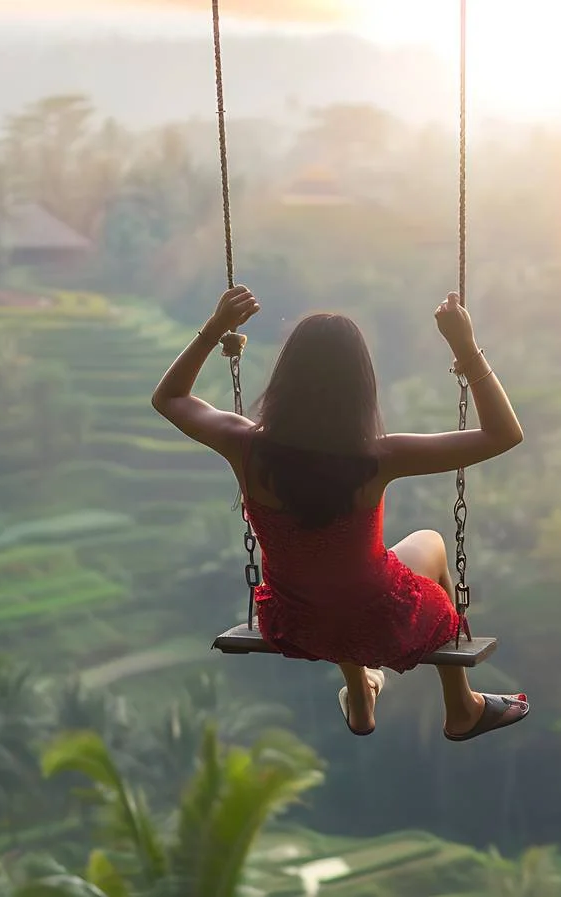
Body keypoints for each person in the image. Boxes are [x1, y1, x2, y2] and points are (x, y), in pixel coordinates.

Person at [152, 285, 530, 740]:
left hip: (295, 623)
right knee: (426, 544)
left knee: (332, 582)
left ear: (285, 380)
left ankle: (361, 689)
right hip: (378, 622)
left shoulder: (245, 445)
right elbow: (503, 434)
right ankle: (461, 706)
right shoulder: (378, 457)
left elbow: (169, 399)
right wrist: (465, 346)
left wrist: (214, 328)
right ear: (360, 388)